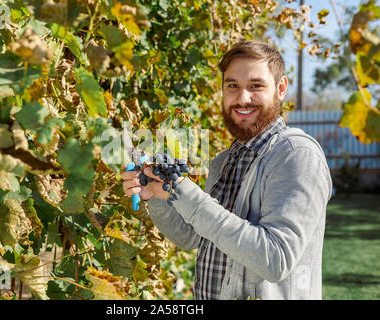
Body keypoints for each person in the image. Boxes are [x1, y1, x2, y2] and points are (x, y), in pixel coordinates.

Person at [122, 40, 332, 300]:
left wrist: (181, 190)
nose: (243, 98)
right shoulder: (225, 160)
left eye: (256, 86)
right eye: (233, 86)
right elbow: (193, 237)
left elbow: (276, 259)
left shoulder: (296, 154)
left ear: (280, 89)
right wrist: (156, 194)